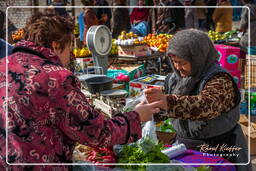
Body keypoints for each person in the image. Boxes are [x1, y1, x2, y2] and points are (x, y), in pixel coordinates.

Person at [0, 11, 161, 170]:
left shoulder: (3, 65)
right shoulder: (57, 78)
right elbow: (97, 133)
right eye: (69, 48)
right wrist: (136, 116)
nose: (70, 56)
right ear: (56, 46)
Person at [144, 29, 251, 171]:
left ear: (197, 57)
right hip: (185, 150)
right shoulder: (174, 79)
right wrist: (150, 109)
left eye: (181, 62)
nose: (177, 67)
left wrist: (167, 102)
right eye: (174, 62)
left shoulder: (219, 79)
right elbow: (167, 109)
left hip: (221, 151)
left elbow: (206, 105)